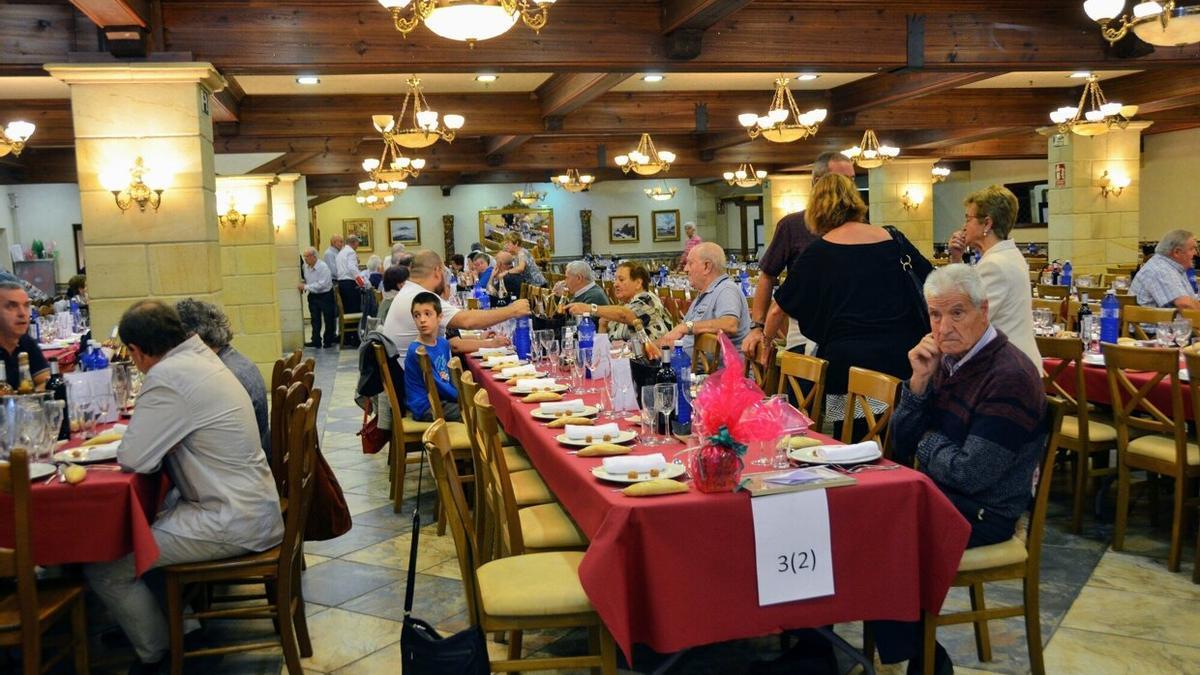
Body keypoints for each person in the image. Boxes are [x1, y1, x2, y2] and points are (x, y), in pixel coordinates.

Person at [84, 300, 283, 675]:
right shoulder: (202, 357)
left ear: (136, 351)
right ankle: (185, 633)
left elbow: (135, 459)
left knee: (106, 564)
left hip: (230, 518)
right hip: (251, 504)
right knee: (145, 531)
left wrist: (155, 438)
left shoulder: (167, 377)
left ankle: (157, 654)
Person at [878, 264, 1047, 674]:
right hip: (942, 493)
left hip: (987, 512)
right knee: (856, 514)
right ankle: (825, 646)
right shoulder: (947, 362)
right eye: (936, 315)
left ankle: (928, 661)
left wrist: (927, 442)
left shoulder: (1008, 375)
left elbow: (971, 473)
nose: (944, 327)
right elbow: (901, 443)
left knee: (880, 538)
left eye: (957, 313)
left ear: (983, 311)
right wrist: (919, 383)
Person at [768, 173, 932, 434]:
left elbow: (781, 306)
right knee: (899, 434)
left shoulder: (818, 252)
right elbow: (932, 281)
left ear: (816, 210)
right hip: (904, 356)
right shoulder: (894, 238)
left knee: (854, 439)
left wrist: (763, 339)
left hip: (851, 364)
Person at [743, 151, 857, 360]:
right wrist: (758, 327)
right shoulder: (793, 225)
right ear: (817, 182)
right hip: (804, 330)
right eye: (842, 180)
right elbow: (768, 276)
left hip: (851, 329)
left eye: (852, 180)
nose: (850, 188)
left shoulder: (861, 227)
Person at [946, 185, 1041, 367]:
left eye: (968, 219)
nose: (964, 226)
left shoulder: (994, 265)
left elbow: (968, 322)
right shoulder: (1007, 255)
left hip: (1009, 368)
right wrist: (956, 258)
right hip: (1015, 361)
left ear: (987, 223)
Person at [382, 250, 528, 360]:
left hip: (408, 376)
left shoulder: (408, 291)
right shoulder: (420, 297)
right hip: (422, 384)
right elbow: (467, 321)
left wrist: (482, 339)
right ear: (437, 271)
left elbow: (449, 340)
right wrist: (512, 310)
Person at [176, 298, 269, 453]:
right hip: (257, 448)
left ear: (192, 338)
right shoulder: (235, 359)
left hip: (242, 457)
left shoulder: (221, 376)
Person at [657, 242, 750, 354]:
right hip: (685, 360)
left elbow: (730, 325)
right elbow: (684, 340)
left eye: (690, 263)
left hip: (711, 365)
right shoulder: (704, 294)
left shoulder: (726, 290)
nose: (686, 269)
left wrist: (686, 327)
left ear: (707, 266)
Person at [567, 261, 673, 343]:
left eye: (621, 280)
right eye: (615, 279)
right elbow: (602, 347)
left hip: (649, 362)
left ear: (638, 283)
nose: (615, 284)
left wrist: (590, 308)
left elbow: (625, 315)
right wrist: (602, 326)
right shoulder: (624, 305)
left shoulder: (648, 300)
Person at [403, 291, 462, 422]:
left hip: (440, 399)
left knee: (473, 407)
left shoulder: (443, 344)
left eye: (427, 314)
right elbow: (437, 385)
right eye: (417, 315)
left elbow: (447, 377)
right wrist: (461, 397)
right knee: (470, 412)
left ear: (439, 317)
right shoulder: (418, 351)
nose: (422, 320)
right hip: (425, 406)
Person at [1129, 229, 1200, 309]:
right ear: (1177, 252)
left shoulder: (1171, 267)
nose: (1196, 253)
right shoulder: (1160, 269)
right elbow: (1184, 304)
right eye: (1192, 249)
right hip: (1155, 317)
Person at [0, 278, 49, 390]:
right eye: (12, 306)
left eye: (26, 305)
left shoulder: (25, 342)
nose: (22, 313)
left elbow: (46, 382)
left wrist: (24, 398)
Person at [299, 247, 337, 348]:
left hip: (325, 295)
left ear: (314, 257)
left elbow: (322, 284)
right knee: (315, 319)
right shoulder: (305, 267)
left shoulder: (323, 267)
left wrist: (306, 287)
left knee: (328, 318)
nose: (305, 259)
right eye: (304, 256)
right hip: (313, 295)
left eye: (307, 256)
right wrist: (304, 284)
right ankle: (316, 340)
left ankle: (328, 341)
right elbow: (306, 280)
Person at [335, 234, 363, 314]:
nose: (358, 245)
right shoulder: (351, 252)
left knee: (347, 308)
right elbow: (352, 268)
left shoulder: (340, 253)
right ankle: (354, 322)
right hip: (349, 283)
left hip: (341, 283)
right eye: (357, 243)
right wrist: (361, 282)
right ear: (353, 243)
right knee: (354, 309)